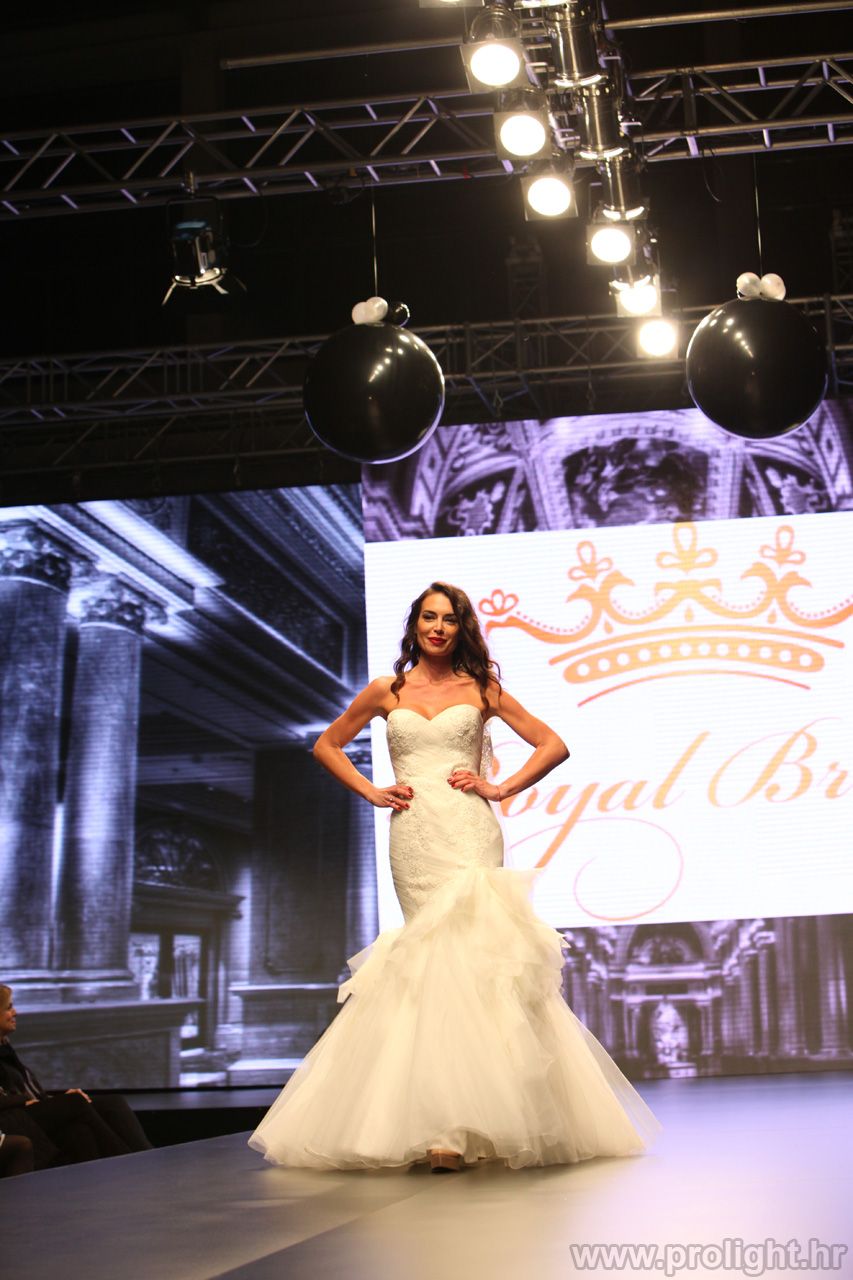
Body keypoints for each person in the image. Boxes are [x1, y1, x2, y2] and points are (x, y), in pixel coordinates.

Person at [250, 582, 662, 1172]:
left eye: (448, 619)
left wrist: (500, 786)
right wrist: (371, 791)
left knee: (476, 960)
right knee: (426, 963)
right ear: (415, 624)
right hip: (415, 836)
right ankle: (440, 1121)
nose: (438, 628)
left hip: (469, 832)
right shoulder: (387, 690)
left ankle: (464, 1128)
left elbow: (552, 744)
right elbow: (327, 744)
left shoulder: (481, 688)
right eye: (429, 617)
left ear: (461, 627)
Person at [0, 984, 153, 1169]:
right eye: (9, 1008)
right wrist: (24, 1101)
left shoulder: (5, 1047)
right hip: (11, 1119)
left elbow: (30, 1091)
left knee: (109, 1105)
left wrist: (51, 1100)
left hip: (29, 1108)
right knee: (75, 1103)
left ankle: (146, 1157)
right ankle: (130, 1165)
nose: (15, 1012)